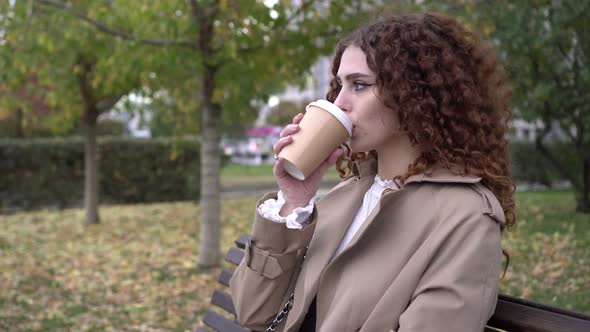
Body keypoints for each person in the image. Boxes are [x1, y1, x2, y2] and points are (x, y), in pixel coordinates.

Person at [230, 12, 515, 332]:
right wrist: (294, 201)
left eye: (360, 85)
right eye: (339, 85)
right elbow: (253, 312)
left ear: (416, 95)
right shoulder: (345, 196)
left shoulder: (465, 216)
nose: (339, 103)